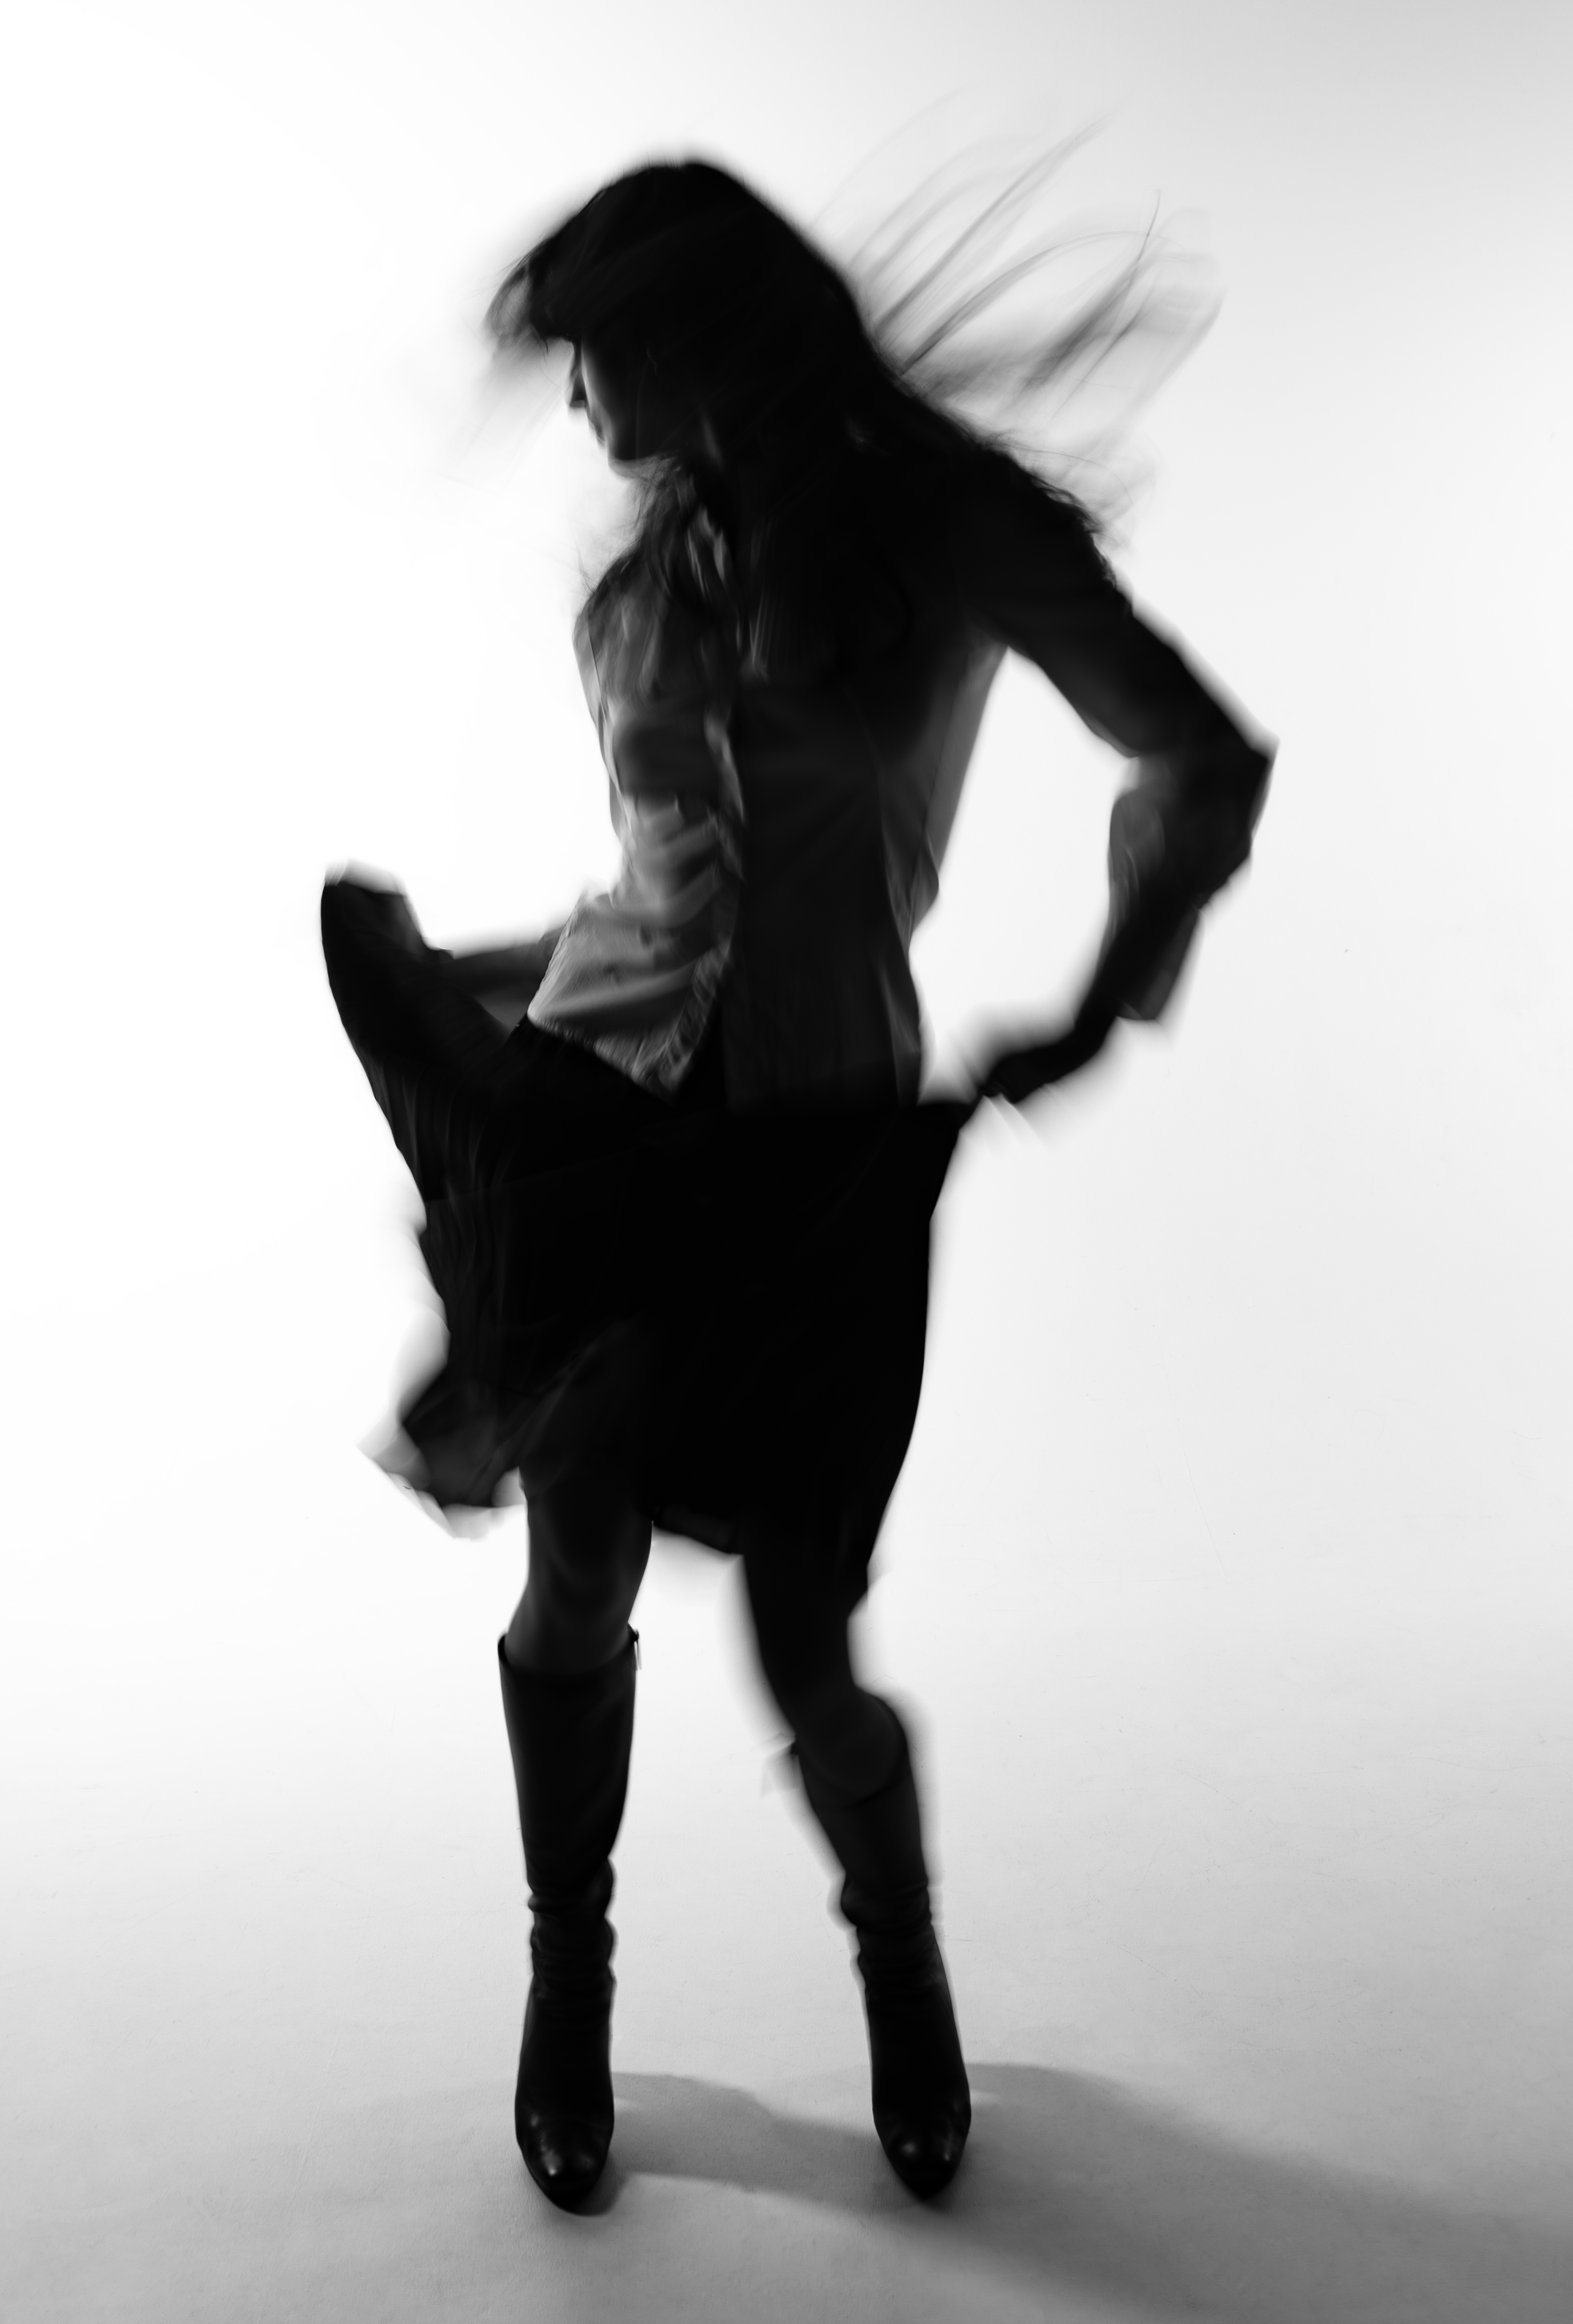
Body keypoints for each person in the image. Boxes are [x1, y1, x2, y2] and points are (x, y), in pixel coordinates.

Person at [321, 158, 1272, 2210]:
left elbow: (1203, 761)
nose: (582, 406)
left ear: (698, 340)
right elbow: (668, 887)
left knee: (804, 1634)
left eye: (596, 358)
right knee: (571, 1561)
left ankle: (900, 1969)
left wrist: (1099, 1007)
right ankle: (566, 1980)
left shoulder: (954, 529)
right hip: (598, 1123)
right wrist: (494, 973)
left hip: (823, 1153)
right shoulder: (648, 567)